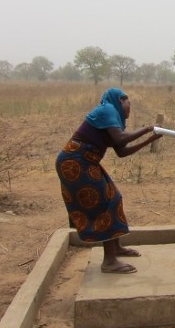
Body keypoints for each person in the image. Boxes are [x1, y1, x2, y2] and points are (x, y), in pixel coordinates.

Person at [56, 88, 161, 274]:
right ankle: (109, 261)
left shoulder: (111, 118)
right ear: (120, 101)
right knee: (105, 203)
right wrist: (146, 129)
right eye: (129, 104)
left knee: (114, 197)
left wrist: (149, 139)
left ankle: (116, 248)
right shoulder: (108, 110)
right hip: (76, 162)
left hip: (86, 161)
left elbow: (121, 151)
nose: (130, 109)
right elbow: (121, 139)